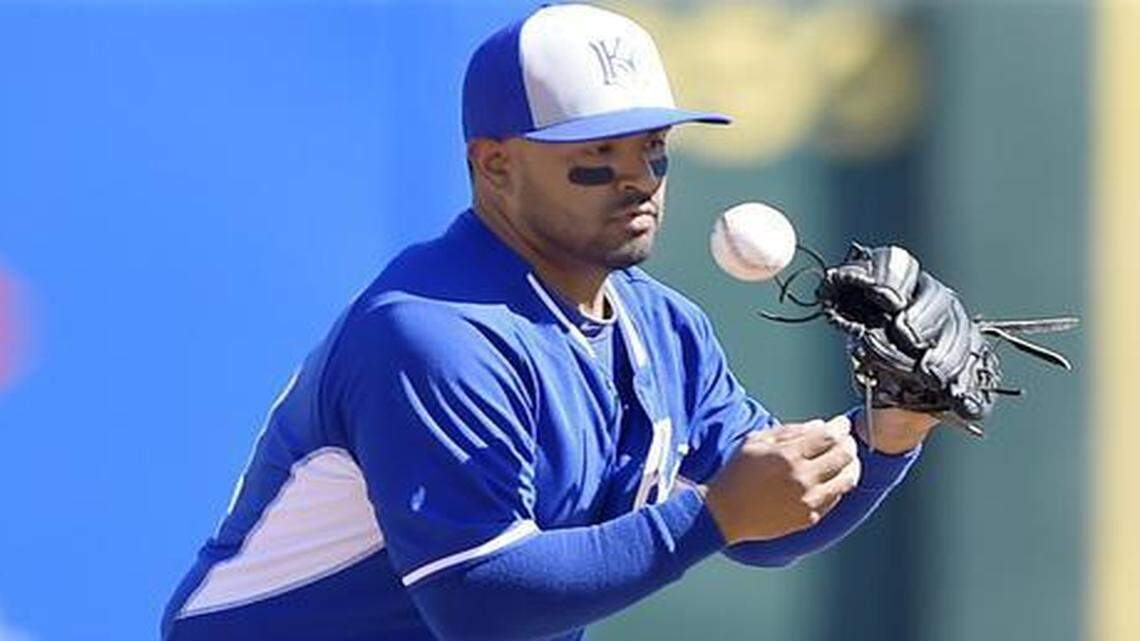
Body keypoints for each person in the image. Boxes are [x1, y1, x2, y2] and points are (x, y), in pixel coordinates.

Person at [161, 4, 938, 640]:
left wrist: (891, 429)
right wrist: (713, 516)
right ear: (495, 164)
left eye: (653, 148)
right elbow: (478, 600)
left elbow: (768, 518)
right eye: (597, 153)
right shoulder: (435, 333)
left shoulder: (664, 329)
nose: (637, 178)